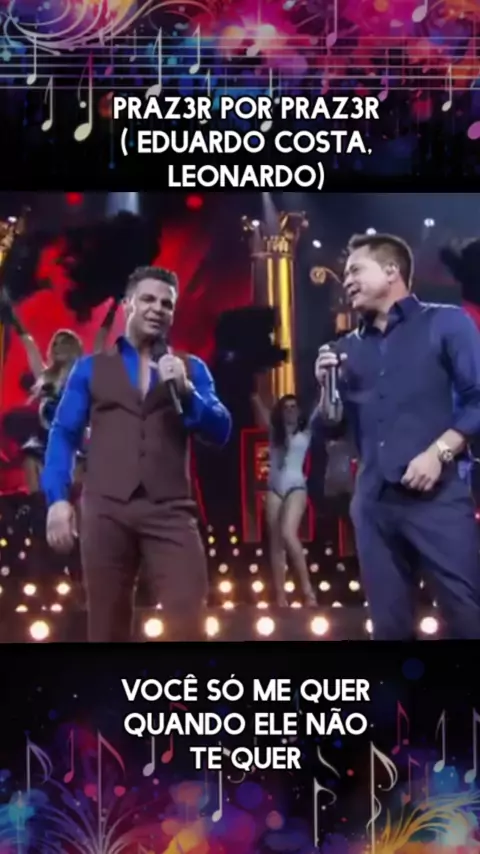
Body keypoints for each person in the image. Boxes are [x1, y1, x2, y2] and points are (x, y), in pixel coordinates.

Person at [42, 266, 232, 642]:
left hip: (170, 509)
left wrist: (188, 392)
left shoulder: (191, 369)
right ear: (128, 304)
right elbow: (63, 434)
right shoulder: (90, 369)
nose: (157, 308)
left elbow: (221, 430)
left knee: (188, 621)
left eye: (166, 303)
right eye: (147, 299)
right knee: (106, 628)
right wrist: (57, 500)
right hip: (106, 508)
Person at [314, 232, 480, 640]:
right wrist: (326, 387)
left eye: (355, 270)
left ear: (391, 271)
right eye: (345, 273)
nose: (347, 280)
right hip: (373, 505)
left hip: (438, 499)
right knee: (388, 630)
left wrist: (439, 452)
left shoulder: (445, 323)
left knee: (466, 618)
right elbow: (329, 427)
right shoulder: (345, 348)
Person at [251, 389, 318, 607]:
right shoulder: (275, 433)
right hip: (274, 488)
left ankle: (308, 591)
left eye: (293, 407)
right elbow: (261, 412)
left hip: (296, 486)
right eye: (286, 407)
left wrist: (325, 387)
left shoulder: (306, 432)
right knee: (276, 542)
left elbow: (318, 410)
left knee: (289, 533)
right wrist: (255, 396)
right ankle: (281, 596)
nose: (289, 410)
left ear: (298, 411)